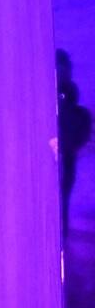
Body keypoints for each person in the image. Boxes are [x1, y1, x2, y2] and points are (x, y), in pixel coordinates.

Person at [57, 49, 91, 235]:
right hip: (64, 154)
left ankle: (62, 235)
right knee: (61, 197)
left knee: (63, 197)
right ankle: (62, 234)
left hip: (66, 155)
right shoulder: (63, 92)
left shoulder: (68, 91)